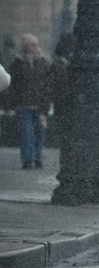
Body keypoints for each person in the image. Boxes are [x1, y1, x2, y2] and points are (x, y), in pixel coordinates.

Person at [4, 34, 51, 169]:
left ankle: (37, 157)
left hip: (40, 104)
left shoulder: (43, 62)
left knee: (40, 132)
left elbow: (48, 83)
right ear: (25, 46)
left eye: (36, 44)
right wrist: (10, 105)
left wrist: (46, 101)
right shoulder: (17, 63)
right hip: (23, 104)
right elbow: (12, 85)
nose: (35, 47)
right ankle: (28, 159)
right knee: (26, 133)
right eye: (32, 45)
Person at [47, 32, 75, 149]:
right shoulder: (65, 65)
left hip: (61, 98)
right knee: (66, 121)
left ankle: (63, 141)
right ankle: (66, 141)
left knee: (62, 121)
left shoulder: (57, 65)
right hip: (66, 98)